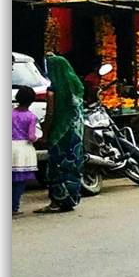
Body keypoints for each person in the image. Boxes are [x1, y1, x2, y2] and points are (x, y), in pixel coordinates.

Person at [37, 54, 85, 213]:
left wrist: (45, 133)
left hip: (60, 133)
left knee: (57, 166)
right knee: (73, 165)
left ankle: (57, 202)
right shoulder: (76, 86)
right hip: (75, 134)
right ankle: (71, 199)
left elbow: (50, 115)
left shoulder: (53, 90)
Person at [13, 86, 42, 215]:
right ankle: (14, 206)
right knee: (19, 181)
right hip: (23, 149)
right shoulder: (31, 117)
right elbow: (31, 136)